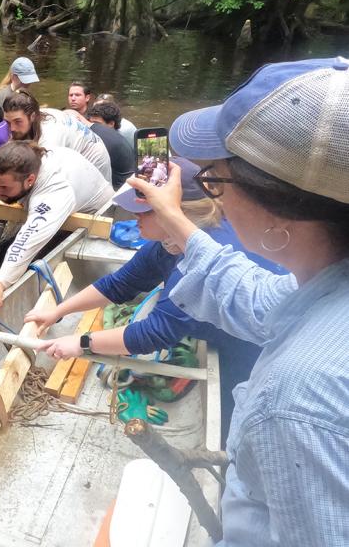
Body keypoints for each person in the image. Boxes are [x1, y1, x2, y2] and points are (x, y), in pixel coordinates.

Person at [126, 57, 349, 546]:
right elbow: (253, 296)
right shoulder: (325, 284)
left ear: (276, 209)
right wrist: (172, 218)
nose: (212, 201)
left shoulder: (296, 402)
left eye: (213, 181)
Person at [26, 158, 285, 445]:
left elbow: (154, 333)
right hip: (225, 326)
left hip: (255, 347)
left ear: (174, 211)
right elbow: (120, 283)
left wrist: (80, 343)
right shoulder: (170, 241)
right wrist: (58, 312)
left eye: (144, 210)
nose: (134, 217)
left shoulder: (201, 258)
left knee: (233, 433)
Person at [0, 141, 113, 314]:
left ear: (30, 180)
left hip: (94, 218)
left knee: (32, 258)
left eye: (4, 188)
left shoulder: (55, 190)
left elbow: (27, 243)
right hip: (46, 203)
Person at [0, 90, 112, 183]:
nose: (11, 128)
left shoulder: (50, 137)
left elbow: (47, 175)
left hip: (94, 161)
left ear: (32, 116)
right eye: (7, 122)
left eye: (17, 122)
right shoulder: (33, 116)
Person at [86, 101, 135, 189]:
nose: (92, 128)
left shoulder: (111, 143)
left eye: (97, 124)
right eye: (91, 123)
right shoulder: (117, 138)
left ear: (111, 124)